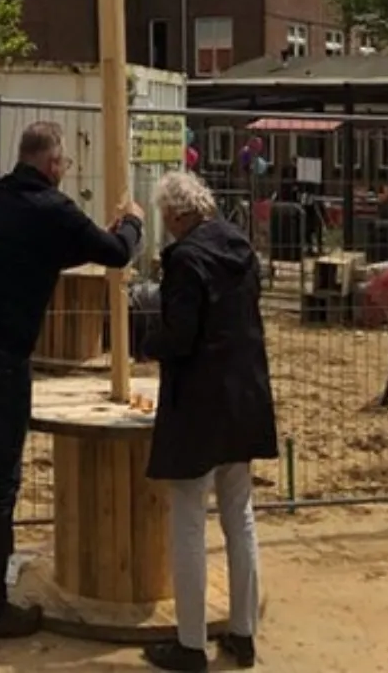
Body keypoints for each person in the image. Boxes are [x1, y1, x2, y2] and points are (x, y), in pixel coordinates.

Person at [0, 121, 144, 639]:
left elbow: (51, 250)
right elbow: (114, 254)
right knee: (0, 482)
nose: (64, 172)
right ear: (51, 165)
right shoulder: (53, 210)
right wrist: (131, 223)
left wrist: (96, 237)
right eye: (63, 164)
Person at [142, 168, 277, 673]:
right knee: (240, 517)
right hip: (243, 396)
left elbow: (180, 337)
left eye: (164, 219)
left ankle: (191, 643)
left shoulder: (185, 258)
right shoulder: (239, 245)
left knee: (189, 522)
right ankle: (242, 636)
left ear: (177, 215)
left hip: (198, 405)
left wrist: (145, 341)